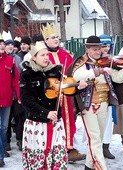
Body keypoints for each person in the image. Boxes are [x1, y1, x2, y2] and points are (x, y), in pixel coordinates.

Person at [20, 41, 87, 169]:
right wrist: (45, 113)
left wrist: (79, 87)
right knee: (40, 157)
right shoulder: (27, 74)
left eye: (47, 55)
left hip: (56, 122)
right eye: (42, 55)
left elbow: (66, 89)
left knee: (56, 157)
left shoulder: (55, 71)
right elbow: (26, 101)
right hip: (37, 123)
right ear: (34, 57)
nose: (46, 57)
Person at [67, 35, 120, 170]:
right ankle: (102, 167)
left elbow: (118, 78)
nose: (98, 52)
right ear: (87, 49)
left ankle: (88, 167)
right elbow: (76, 76)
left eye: (99, 49)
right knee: (95, 138)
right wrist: (99, 71)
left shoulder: (105, 61)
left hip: (104, 103)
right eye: (95, 49)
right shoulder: (82, 63)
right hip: (88, 104)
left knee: (98, 139)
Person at [41, 22, 86, 161]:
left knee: (69, 121)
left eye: (57, 37)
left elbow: (74, 72)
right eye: (52, 37)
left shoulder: (65, 54)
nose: (56, 39)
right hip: (50, 95)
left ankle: (69, 148)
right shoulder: (42, 55)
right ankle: (51, 149)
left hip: (66, 96)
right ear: (45, 40)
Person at [0, 33, 20, 167]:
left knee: (4, 128)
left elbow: (15, 81)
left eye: (3, 45)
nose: (2, 47)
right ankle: (0, 155)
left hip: (6, 100)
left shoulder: (10, 61)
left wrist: (19, 96)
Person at [99, 34, 115, 159]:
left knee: (108, 123)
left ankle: (106, 147)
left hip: (110, 94)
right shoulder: (94, 60)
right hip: (97, 96)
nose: (106, 49)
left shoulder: (112, 59)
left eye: (108, 46)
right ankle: (96, 147)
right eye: (104, 46)